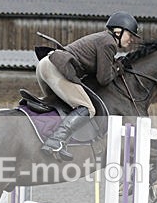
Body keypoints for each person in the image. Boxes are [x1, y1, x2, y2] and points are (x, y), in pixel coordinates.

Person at [36, 11, 140, 160]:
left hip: (45, 65)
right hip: (56, 68)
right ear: (118, 31)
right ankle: (56, 141)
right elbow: (103, 79)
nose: (131, 40)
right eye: (130, 35)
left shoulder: (101, 38)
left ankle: (49, 136)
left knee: (61, 107)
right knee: (87, 108)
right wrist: (118, 68)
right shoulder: (108, 42)